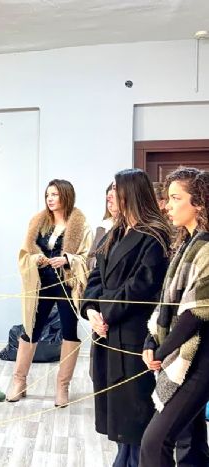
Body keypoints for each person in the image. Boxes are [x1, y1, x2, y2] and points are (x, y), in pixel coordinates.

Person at [82, 169, 172, 467]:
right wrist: (91, 310)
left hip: (133, 332)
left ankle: (131, 460)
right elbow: (96, 277)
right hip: (106, 330)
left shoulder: (155, 236)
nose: (111, 195)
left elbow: (141, 286)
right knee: (115, 409)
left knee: (134, 409)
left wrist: (105, 312)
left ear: (131, 193)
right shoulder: (115, 232)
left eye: (116, 189)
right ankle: (123, 456)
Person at [140, 167, 209, 467]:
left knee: (155, 443)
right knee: (191, 444)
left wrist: (160, 351)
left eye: (175, 198)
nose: (167, 206)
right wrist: (150, 341)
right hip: (185, 354)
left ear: (200, 203)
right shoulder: (185, 245)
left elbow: (197, 312)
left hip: (201, 357)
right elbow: (166, 302)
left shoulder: (206, 247)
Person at [6, 179, 92, 406]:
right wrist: (37, 258)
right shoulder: (38, 221)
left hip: (66, 284)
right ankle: (19, 381)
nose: (50, 199)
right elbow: (25, 252)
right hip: (40, 283)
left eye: (54, 194)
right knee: (31, 329)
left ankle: (63, 386)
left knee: (69, 331)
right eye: (47, 195)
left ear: (66, 195)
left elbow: (87, 257)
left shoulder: (81, 225)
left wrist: (67, 259)